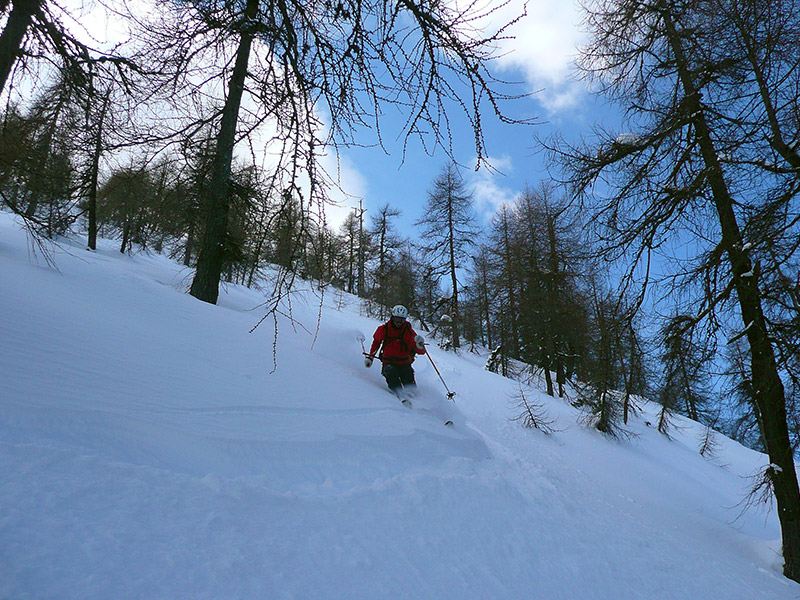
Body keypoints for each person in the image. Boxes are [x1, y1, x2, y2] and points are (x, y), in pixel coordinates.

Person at [364, 304, 426, 397]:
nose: (399, 323)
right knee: (391, 373)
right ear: (392, 317)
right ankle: (399, 396)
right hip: (388, 362)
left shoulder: (409, 332)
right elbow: (376, 343)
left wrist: (419, 345)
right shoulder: (383, 329)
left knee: (408, 377)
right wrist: (370, 357)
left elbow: (421, 352)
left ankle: (415, 398)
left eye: (401, 320)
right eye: (397, 319)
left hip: (404, 363)